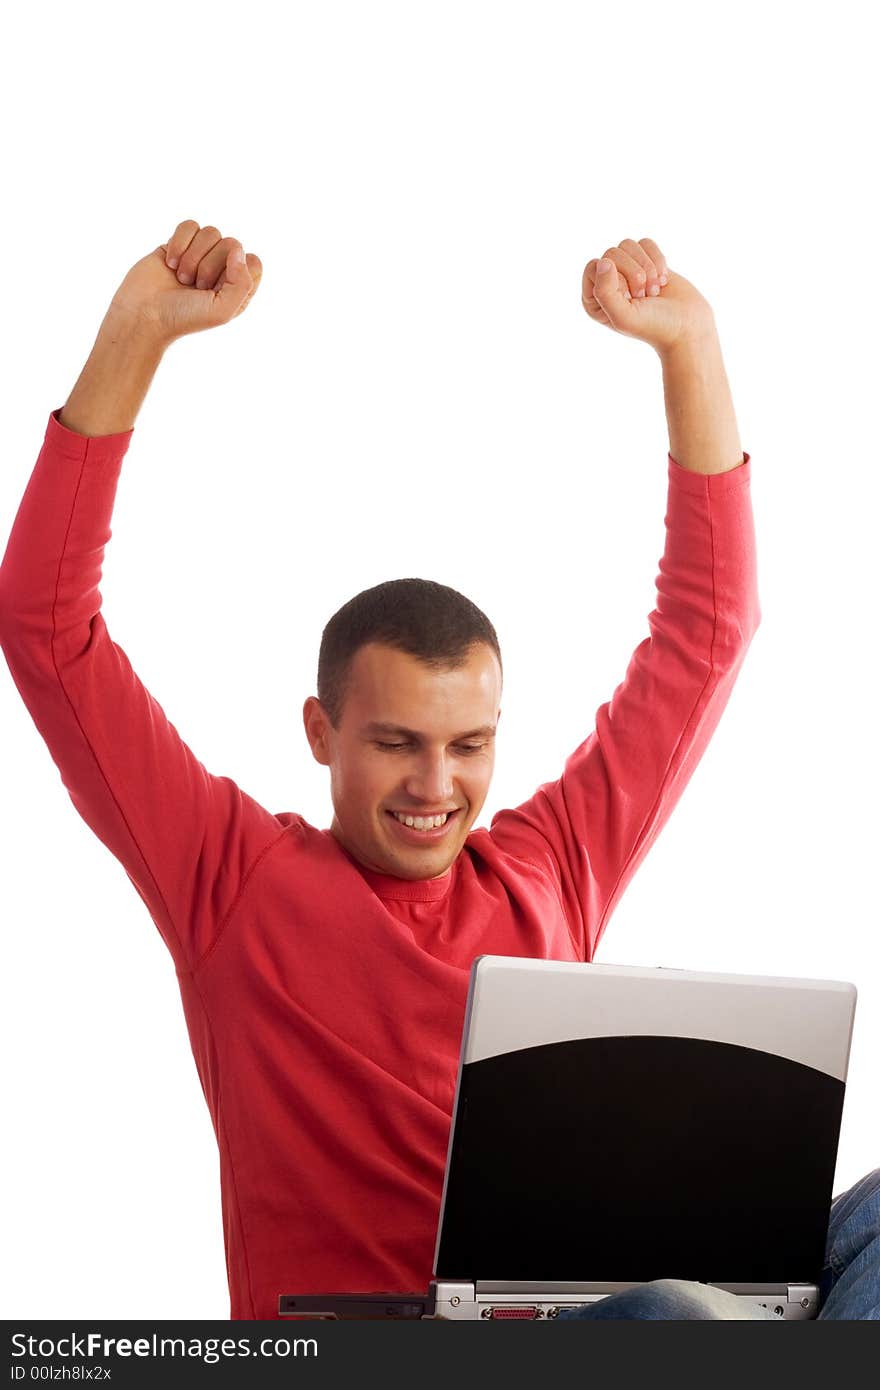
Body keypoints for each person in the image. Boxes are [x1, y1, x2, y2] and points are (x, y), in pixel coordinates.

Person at [0, 221, 875, 1321]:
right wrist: (138, 334)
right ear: (320, 731)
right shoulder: (229, 876)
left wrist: (687, 346)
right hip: (382, 1352)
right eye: (396, 742)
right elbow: (45, 627)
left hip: (591, 1324)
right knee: (672, 1317)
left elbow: (708, 630)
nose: (436, 785)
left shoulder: (548, 867)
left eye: (469, 746)